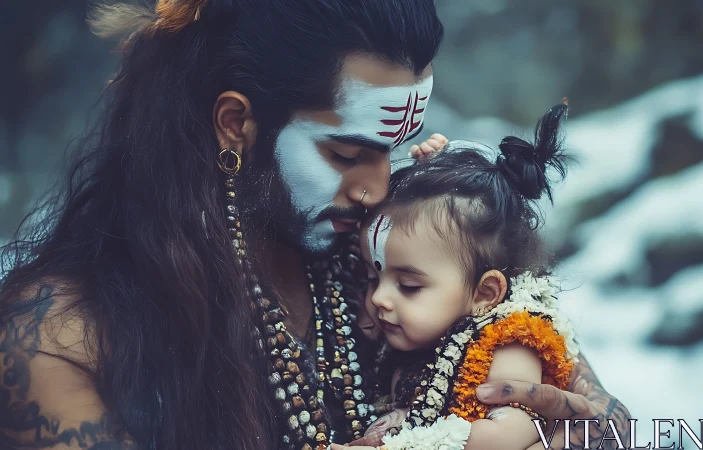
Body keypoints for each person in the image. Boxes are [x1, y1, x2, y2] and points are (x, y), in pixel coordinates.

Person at [0, 1, 630, 449]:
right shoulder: (58, 338)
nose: (377, 188)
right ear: (235, 124)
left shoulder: (400, 256)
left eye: (394, 149)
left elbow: (608, 421)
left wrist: (572, 433)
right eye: (347, 155)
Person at [331, 103, 576, 450]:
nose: (378, 298)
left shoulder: (509, 343)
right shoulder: (426, 327)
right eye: (373, 277)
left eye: (409, 286)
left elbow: (511, 434)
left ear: (485, 293)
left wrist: (398, 446)